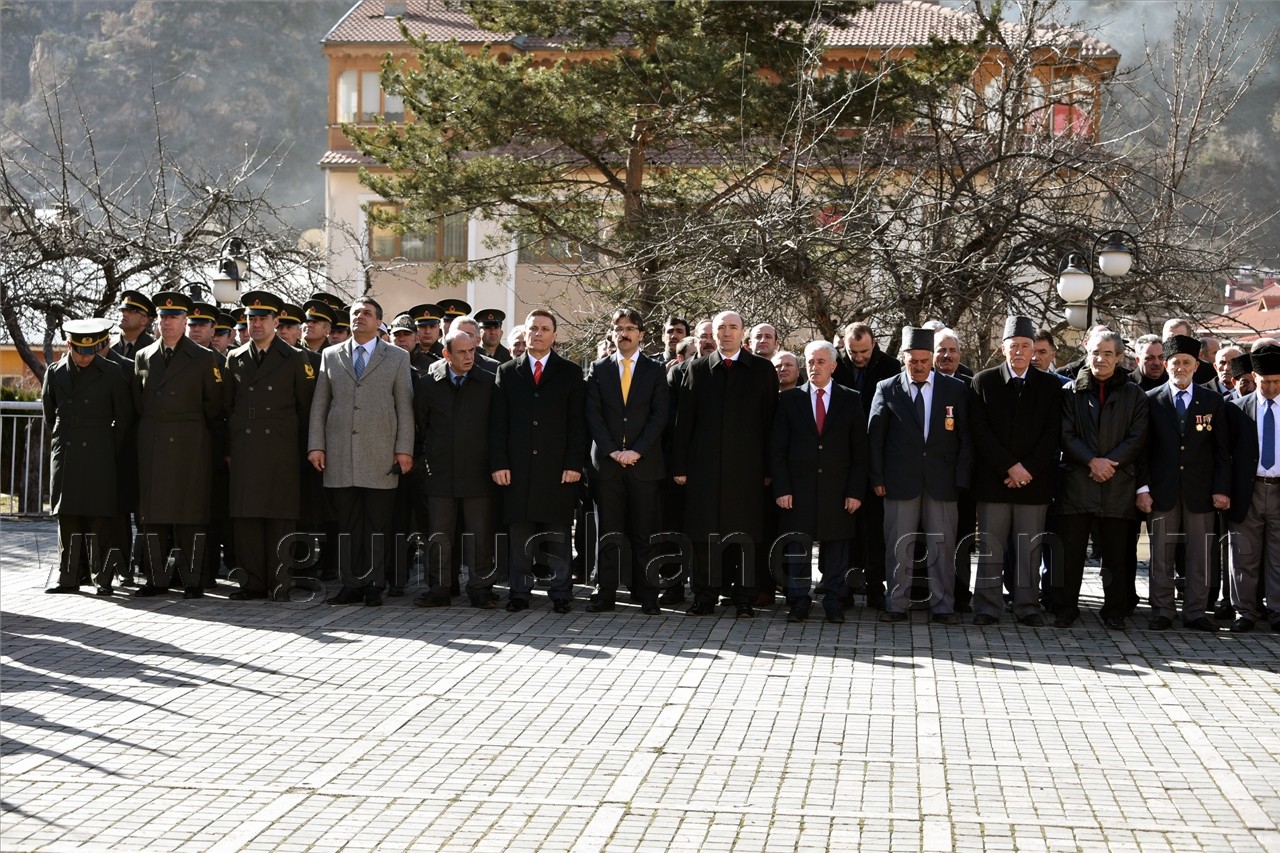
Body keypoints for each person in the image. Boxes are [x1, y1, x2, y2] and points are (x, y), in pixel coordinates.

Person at [307, 298, 415, 607]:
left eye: (366, 313)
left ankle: (374, 585)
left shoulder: (396, 357)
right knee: (348, 525)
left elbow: (404, 407)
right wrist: (316, 444)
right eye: (355, 313)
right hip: (340, 454)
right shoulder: (331, 354)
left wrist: (404, 449)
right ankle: (350, 584)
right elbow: (320, 405)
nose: (359, 318)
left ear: (379, 322)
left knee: (377, 525)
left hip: (381, 454)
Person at [673, 310, 779, 618]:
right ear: (712, 333)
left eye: (733, 327)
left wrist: (769, 470)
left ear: (743, 334)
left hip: (748, 471)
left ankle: (743, 597)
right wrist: (680, 466)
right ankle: (704, 595)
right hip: (704, 470)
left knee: (744, 536)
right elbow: (685, 424)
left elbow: (771, 423)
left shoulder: (761, 370)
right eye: (722, 328)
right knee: (704, 536)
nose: (727, 333)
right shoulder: (696, 369)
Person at [868, 327, 972, 624]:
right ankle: (896, 604)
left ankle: (943, 606)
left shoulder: (954, 389)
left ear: (932, 360)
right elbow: (875, 438)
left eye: (924, 360)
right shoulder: (887, 388)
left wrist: (961, 480)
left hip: (942, 482)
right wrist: (877, 478)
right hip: (899, 482)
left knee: (942, 545)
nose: (918, 366)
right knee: (898, 546)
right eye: (912, 360)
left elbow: (965, 439)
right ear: (903, 358)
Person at [968, 316, 1063, 627]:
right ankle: (986, 606)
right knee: (991, 547)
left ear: (1034, 349)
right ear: (1003, 348)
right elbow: (979, 431)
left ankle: (1027, 605)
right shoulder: (984, 381)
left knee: (1029, 548)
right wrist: (1009, 466)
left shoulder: (1050, 385)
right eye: (1014, 346)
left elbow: (1052, 434)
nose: (1020, 352)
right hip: (994, 480)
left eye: (1026, 346)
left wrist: (1027, 470)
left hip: (1033, 483)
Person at [132, 291, 227, 599]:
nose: (167, 322)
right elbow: (138, 401)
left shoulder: (203, 357)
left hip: (189, 443)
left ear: (185, 321)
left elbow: (214, 405)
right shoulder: (144, 356)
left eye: (173, 317)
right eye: (163, 317)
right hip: (155, 443)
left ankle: (192, 578)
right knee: (153, 516)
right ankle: (155, 578)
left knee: (190, 514)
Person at [490, 309, 586, 612]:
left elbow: (577, 423)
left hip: (557, 468)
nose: (538, 334)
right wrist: (499, 462)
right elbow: (498, 423)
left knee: (557, 532)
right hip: (517, 468)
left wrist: (574, 464)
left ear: (554, 336)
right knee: (520, 533)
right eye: (533, 328)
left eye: (545, 329)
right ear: (525, 334)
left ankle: (560, 591)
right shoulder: (507, 371)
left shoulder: (570, 372)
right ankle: (519, 591)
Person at [225, 291, 316, 601]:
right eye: (252, 318)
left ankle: (281, 583)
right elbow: (227, 407)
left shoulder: (294, 358)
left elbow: (306, 409)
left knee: (280, 517)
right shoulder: (234, 358)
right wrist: (228, 449)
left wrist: (306, 450)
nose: (257, 324)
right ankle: (251, 584)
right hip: (246, 447)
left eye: (263, 318)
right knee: (246, 517)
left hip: (281, 448)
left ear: (277, 322)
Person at [1136, 334, 1230, 631]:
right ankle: (1162, 610)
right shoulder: (1151, 401)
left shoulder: (1213, 401)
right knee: (1161, 554)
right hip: (1161, 492)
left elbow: (1221, 450)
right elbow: (1142, 451)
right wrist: (1143, 488)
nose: (1180, 367)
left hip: (1200, 491)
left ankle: (1195, 612)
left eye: (1186, 362)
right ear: (1166, 364)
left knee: (1199, 555)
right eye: (1174, 362)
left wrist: (1221, 488)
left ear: (1196, 365)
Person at [1057, 328, 1149, 629]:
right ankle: (1066, 607)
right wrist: (1091, 461)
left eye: (1108, 353)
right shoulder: (1070, 391)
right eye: (1096, 352)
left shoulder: (1134, 394)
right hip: (1078, 482)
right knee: (1071, 553)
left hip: (1118, 483)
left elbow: (1138, 438)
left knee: (1116, 555)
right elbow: (1065, 434)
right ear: (1087, 351)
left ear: (1119, 357)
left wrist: (1109, 463)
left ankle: (1114, 611)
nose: (1101, 359)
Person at [771, 340, 867, 624]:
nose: (814, 367)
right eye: (810, 362)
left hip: (838, 489)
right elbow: (777, 449)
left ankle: (834, 601)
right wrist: (783, 488)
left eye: (821, 362)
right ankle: (799, 601)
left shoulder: (850, 398)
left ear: (834, 366)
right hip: (798, 489)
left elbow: (860, 450)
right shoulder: (790, 400)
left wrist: (854, 491)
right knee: (798, 547)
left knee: (837, 548)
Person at [583, 308, 669, 615]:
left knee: (644, 533)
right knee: (607, 531)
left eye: (631, 327)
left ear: (641, 334)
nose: (625, 332)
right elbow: (593, 415)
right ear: (612, 333)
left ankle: (647, 593)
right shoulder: (598, 368)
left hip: (643, 465)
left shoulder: (655, 369)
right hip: (607, 466)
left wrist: (637, 451)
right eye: (619, 327)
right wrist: (613, 451)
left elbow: (660, 416)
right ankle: (604, 592)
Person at [42, 320, 135, 595]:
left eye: (91, 350)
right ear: (70, 346)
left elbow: (124, 417)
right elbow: (50, 414)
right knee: (67, 516)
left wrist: (108, 447)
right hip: (67, 450)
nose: (85, 356)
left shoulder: (112, 372)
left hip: (99, 450)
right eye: (80, 350)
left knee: (100, 517)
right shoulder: (55, 372)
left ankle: (102, 577)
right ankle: (68, 577)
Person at [412, 329, 499, 608]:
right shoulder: (428, 385)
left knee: (480, 535)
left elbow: (497, 427)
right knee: (439, 534)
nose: (468, 356)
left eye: (472, 350)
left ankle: (481, 588)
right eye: (461, 352)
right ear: (446, 354)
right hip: (440, 472)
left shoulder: (488, 383)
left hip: (478, 472)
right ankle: (440, 589)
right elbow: (422, 427)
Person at [831, 322, 900, 609]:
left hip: (876, 457)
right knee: (845, 528)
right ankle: (844, 586)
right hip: (841, 459)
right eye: (852, 351)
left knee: (874, 528)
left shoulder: (891, 367)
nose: (858, 358)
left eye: (864, 351)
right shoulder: (835, 365)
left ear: (874, 344)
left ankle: (875, 587)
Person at [1225, 345, 1280, 633]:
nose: (1270, 387)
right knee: (1243, 554)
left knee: (1278, 556)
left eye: (1277, 382)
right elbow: (1223, 454)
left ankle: (1277, 611)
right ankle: (1244, 612)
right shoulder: (1236, 409)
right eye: (1265, 381)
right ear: (1253, 377)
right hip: (1248, 491)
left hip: (1279, 490)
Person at [111, 290, 155, 359]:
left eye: (131, 311)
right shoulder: (108, 346)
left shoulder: (153, 349)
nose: (124, 314)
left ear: (144, 320)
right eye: (123, 310)